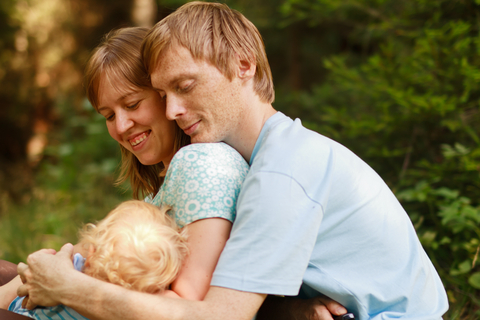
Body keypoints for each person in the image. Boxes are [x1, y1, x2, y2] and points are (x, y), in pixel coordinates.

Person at [17, 2, 449, 319]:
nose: (170, 111)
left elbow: (217, 317)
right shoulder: (268, 158)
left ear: (243, 66)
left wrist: (70, 286)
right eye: (164, 95)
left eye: (185, 86)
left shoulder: (282, 172)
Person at [1, 200, 188, 319]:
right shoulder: (118, 309)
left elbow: (37, 265)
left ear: (90, 253)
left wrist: (47, 256)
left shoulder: (71, 266)